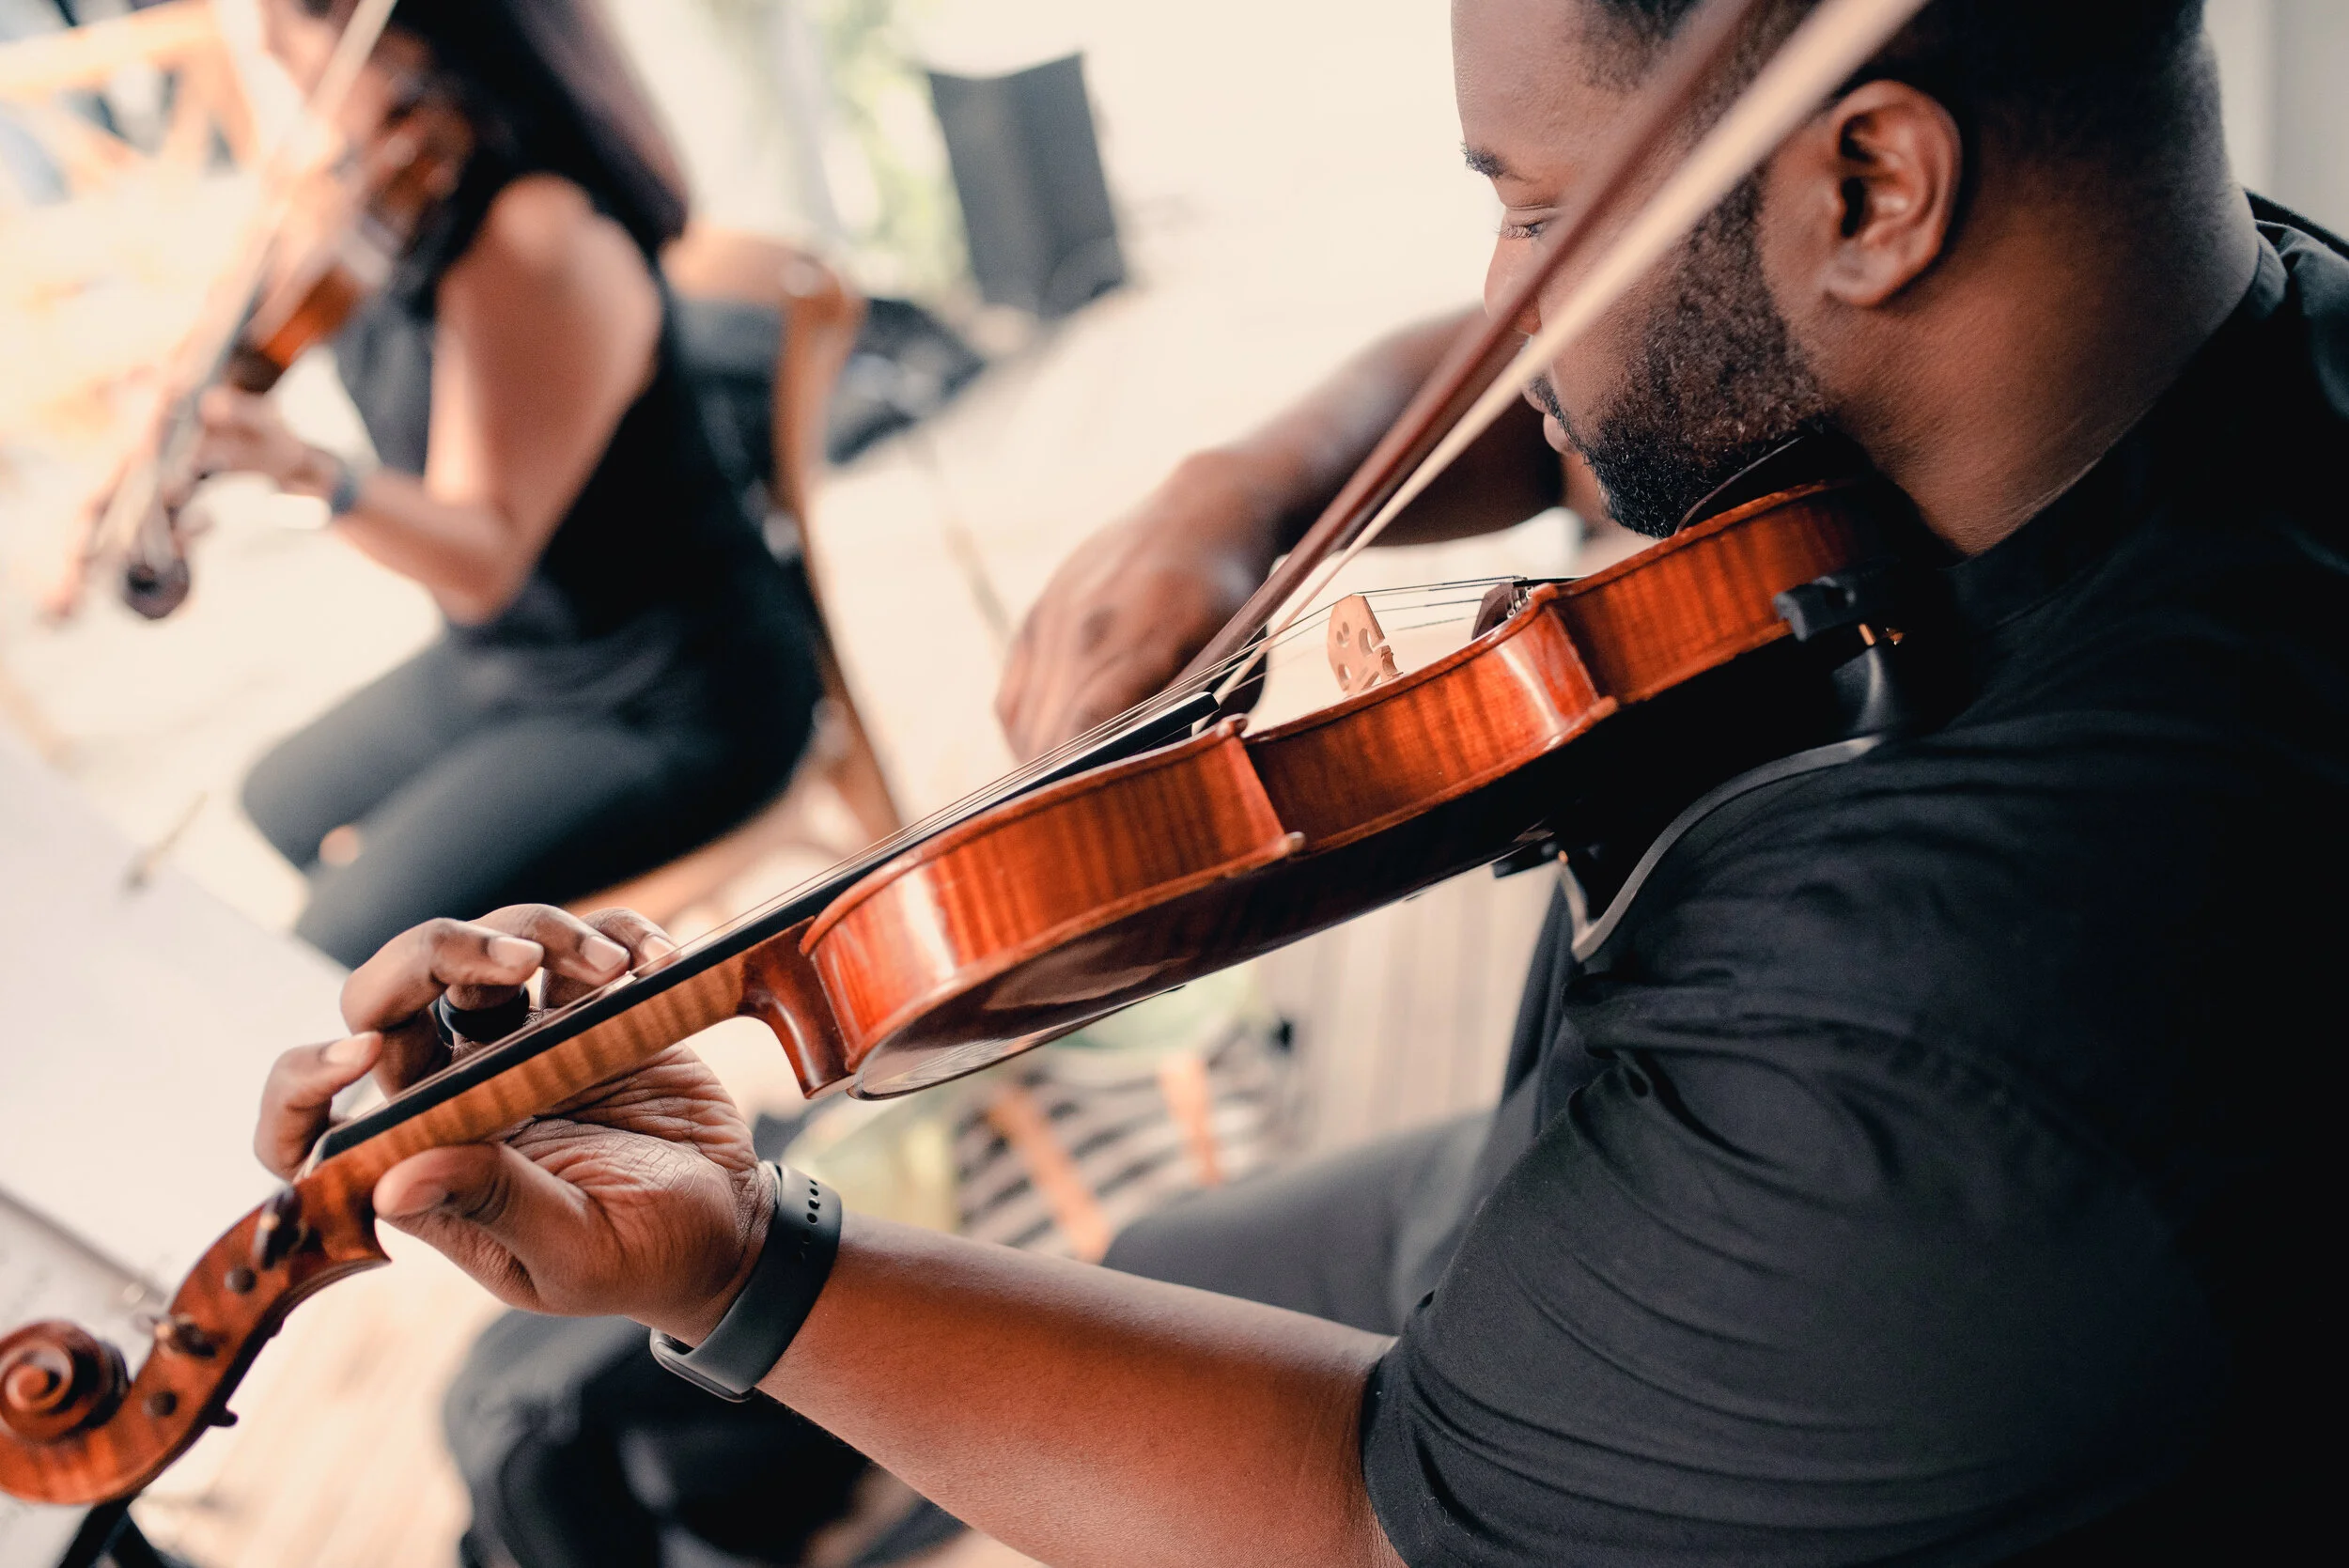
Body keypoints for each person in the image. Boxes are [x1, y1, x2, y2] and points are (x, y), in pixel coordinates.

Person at [255, 0, 2340, 1561]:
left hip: (1673, 1389)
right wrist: (1243, 482)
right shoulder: (2206, 319)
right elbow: (1690, 332)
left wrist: (738, 1258)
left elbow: (1380, 1515)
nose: (1510, 301)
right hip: (1583, 1179)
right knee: (1127, 1252)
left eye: (1534, 206)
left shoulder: (1946, 1027)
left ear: (1871, 190)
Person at [185, 0, 819, 969]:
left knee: (335, 943)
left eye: (311, 13)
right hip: (514, 655)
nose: (272, 42)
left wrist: (301, 469)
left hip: (668, 690)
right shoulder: (388, 179)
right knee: (272, 800)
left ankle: (522, 1058)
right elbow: (254, 337)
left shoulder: (531, 234)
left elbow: (479, 558)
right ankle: (479, 1016)